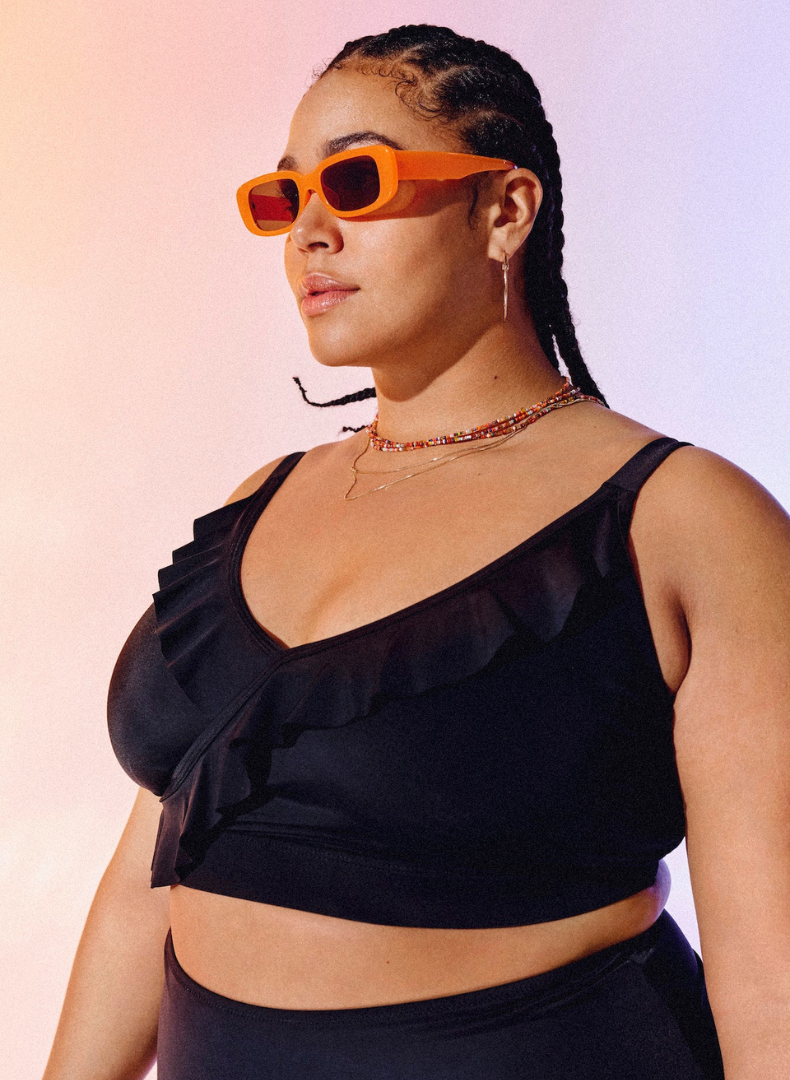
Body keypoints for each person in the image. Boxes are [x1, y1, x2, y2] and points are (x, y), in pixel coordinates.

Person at [43, 24, 790, 1080]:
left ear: (505, 210)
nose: (309, 232)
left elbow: (772, 984)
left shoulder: (683, 521)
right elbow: (147, 883)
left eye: (356, 182)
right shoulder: (260, 500)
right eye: (285, 197)